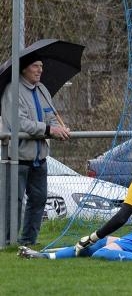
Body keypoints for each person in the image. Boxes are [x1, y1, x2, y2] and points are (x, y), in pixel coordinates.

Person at [18, 131, 132, 262]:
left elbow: (122, 217)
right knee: (98, 245)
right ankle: (44, 256)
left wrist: (94, 235)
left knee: (101, 252)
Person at [1, 54, 71, 246]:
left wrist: (60, 130)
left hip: (40, 158)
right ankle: (7, 242)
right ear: (24, 68)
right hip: (17, 157)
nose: (40, 70)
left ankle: (29, 240)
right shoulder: (11, 91)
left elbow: (51, 116)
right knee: (12, 202)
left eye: (41, 66)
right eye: (35, 66)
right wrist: (49, 130)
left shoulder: (42, 90)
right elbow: (19, 123)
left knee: (39, 199)